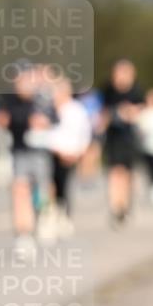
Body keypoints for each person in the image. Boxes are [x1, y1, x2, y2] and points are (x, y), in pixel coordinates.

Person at [0, 65, 55, 255]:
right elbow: (3, 121)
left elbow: (57, 119)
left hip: (41, 152)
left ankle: (44, 218)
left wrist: (45, 123)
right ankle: (24, 234)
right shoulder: (8, 100)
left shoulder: (43, 99)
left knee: (43, 191)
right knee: (20, 191)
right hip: (19, 152)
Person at [46, 74, 92, 236]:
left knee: (64, 186)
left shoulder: (76, 110)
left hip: (70, 155)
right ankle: (50, 216)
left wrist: (78, 152)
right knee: (50, 186)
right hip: (51, 153)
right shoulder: (49, 109)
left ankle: (65, 215)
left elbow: (84, 133)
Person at [100, 59, 144, 227]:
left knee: (128, 173)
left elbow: (142, 110)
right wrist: (115, 114)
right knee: (114, 172)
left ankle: (126, 205)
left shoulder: (137, 91)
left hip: (131, 138)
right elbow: (102, 114)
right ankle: (116, 207)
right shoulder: (108, 91)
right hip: (113, 138)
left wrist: (131, 113)